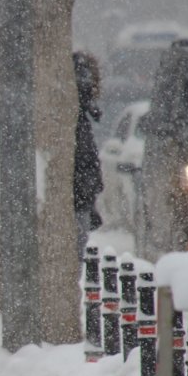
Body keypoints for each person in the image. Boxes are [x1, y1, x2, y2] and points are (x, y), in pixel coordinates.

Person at [73, 50, 104, 260]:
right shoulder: (80, 119)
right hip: (77, 199)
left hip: (78, 198)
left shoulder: (81, 118)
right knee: (75, 254)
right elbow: (86, 162)